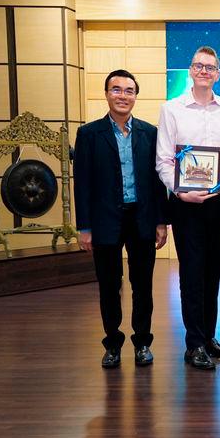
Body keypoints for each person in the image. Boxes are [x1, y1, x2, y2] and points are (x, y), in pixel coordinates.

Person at [156, 46, 220, 370]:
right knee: (192, 272)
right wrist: (180, 192)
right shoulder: (172, 109)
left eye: (210, 67)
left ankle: (208, 337)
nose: (204, 71)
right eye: (199, 66)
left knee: (213, 270)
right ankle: (193, 344)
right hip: (186, 202)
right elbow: (163, 160)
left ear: (218, 73)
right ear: (191, 71)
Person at [74, 69, 169, 368]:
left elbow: (158, 181)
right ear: (106, 94)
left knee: (143, 285)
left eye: (129, 90)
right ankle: (112, 343)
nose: (123, 96)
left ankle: (142, 343)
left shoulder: (150, 133)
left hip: (141, 219)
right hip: (104, 221)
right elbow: (82, 183)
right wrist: (84, 227)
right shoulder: (89, 134)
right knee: (109, 284)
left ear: (135, 96)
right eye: (116, 89)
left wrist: (161, 221)